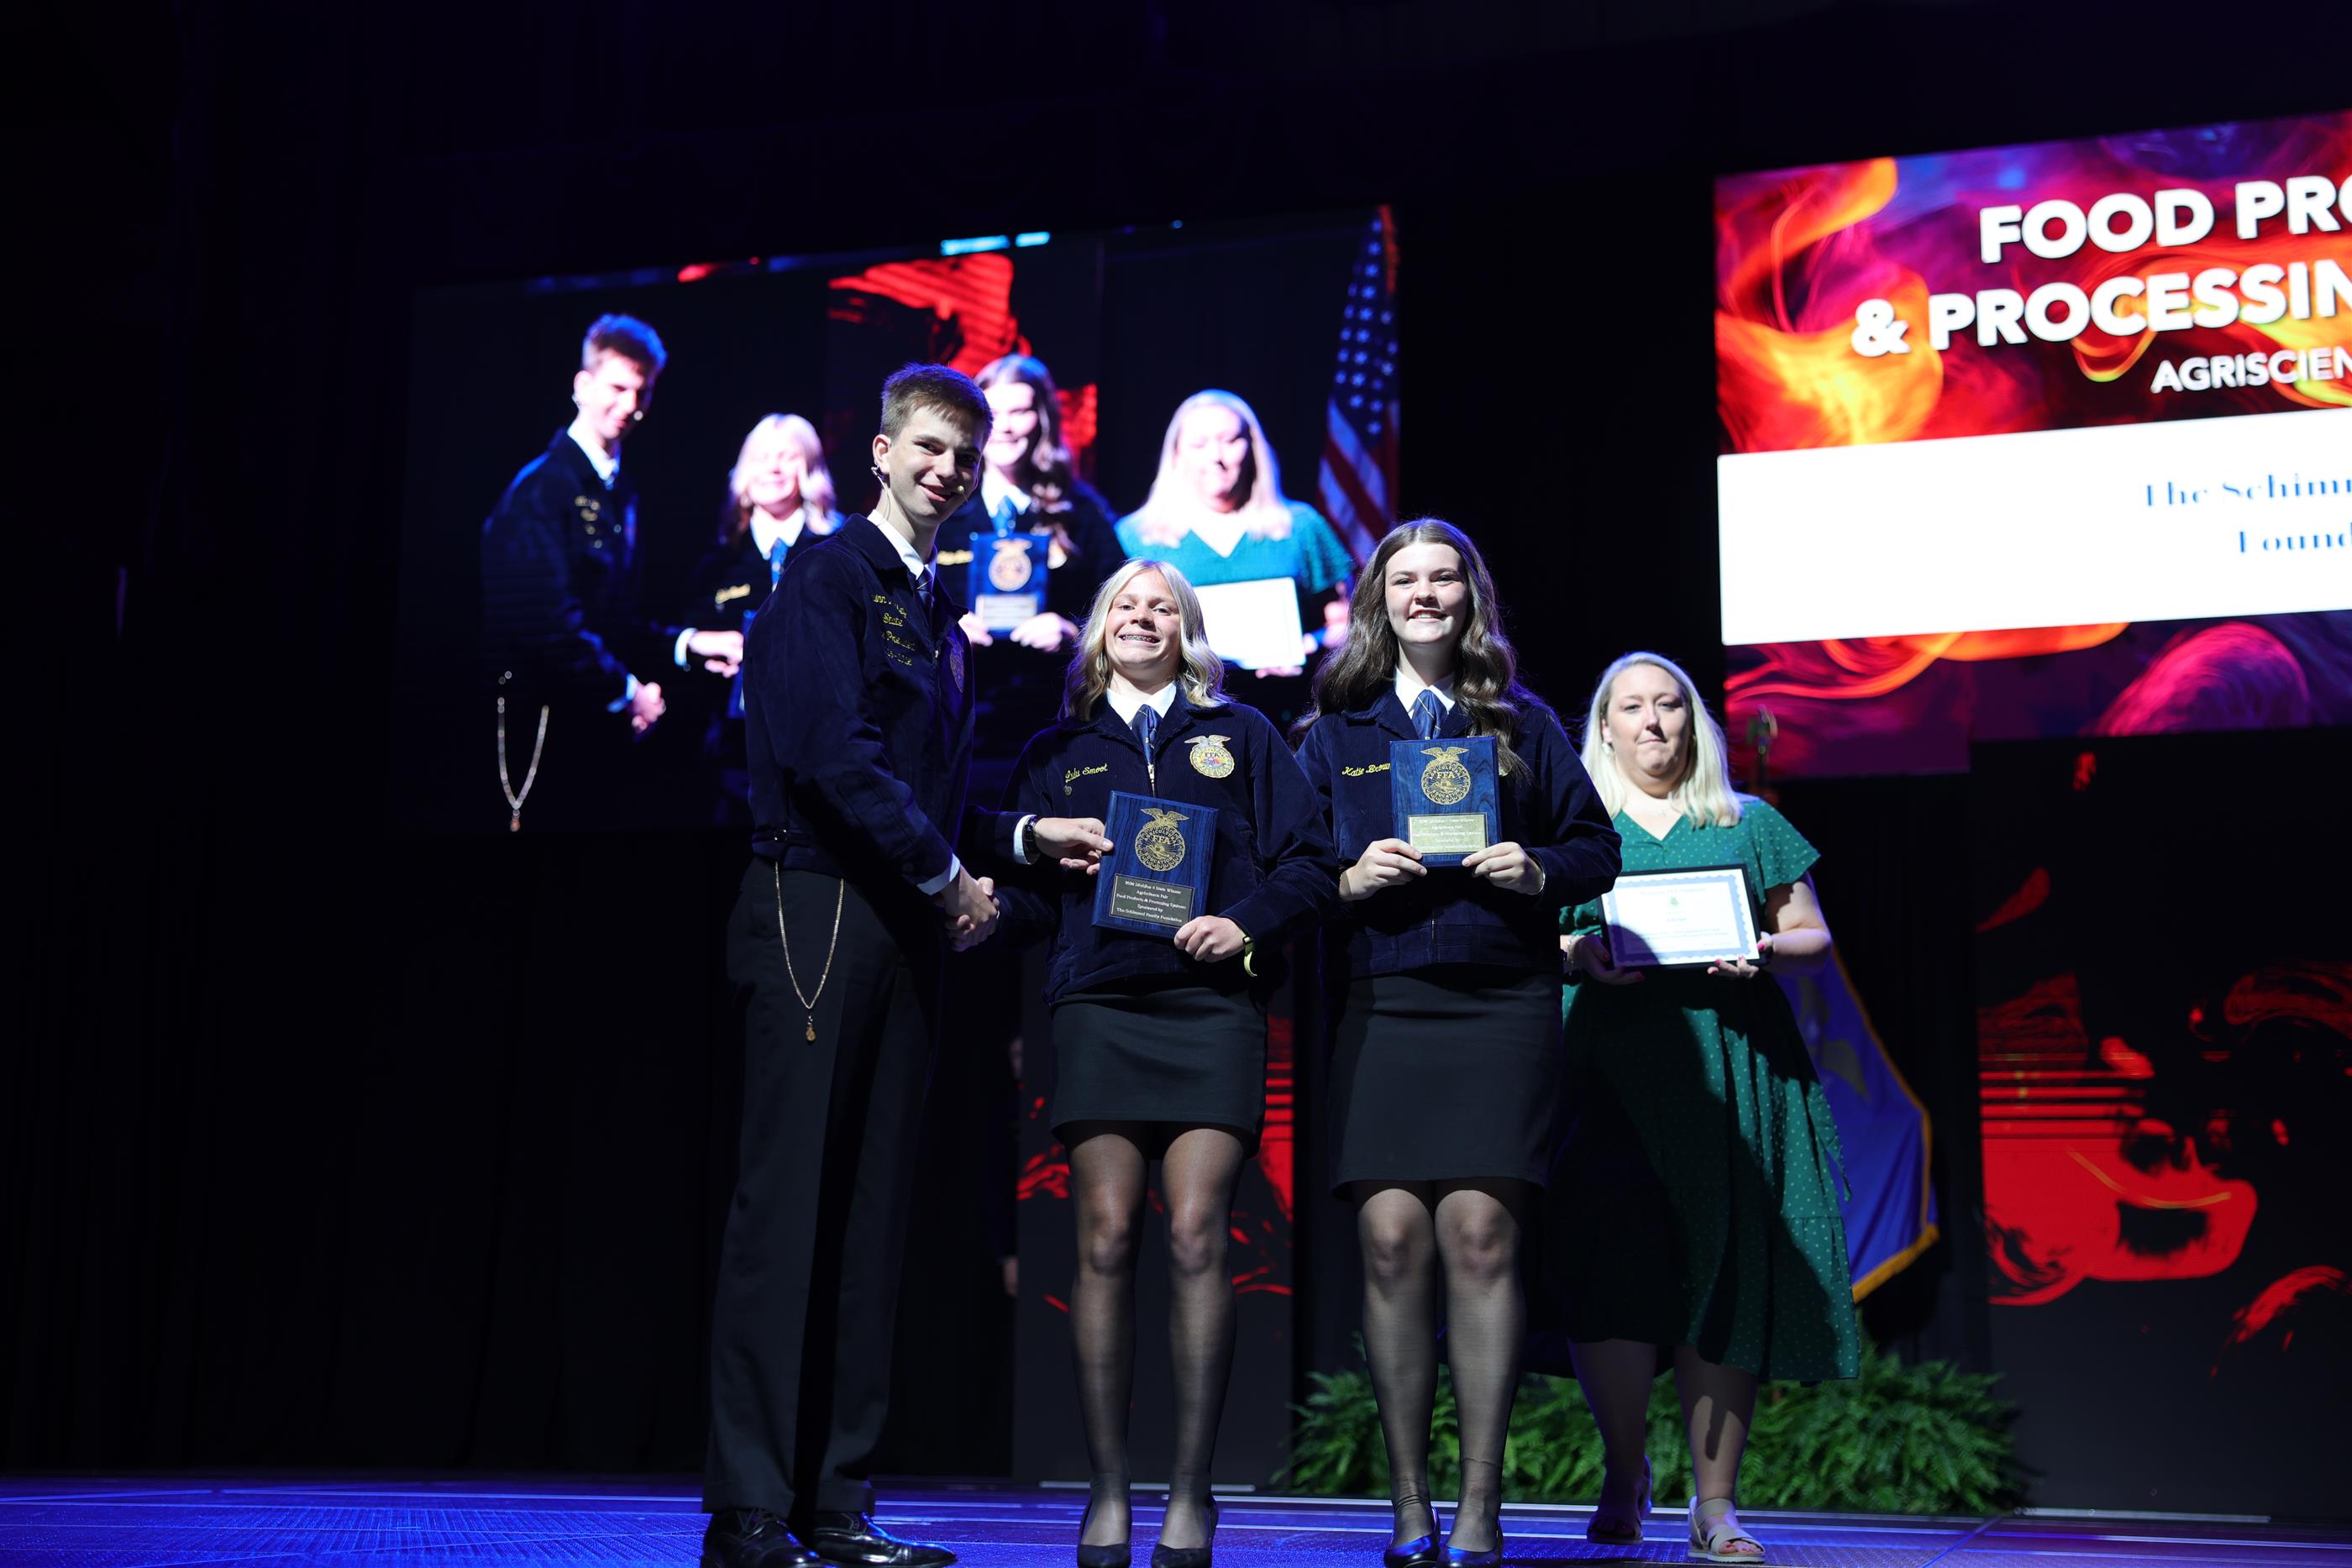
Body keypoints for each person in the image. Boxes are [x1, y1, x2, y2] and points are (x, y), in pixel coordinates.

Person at [702, 364, 1014, 1568]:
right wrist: (947, 876)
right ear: (881, 452)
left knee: (872, 1218)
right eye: (928, 447)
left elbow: (933, 790)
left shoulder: (939, 610)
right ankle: (749, 1508)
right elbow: (831, 753)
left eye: (966, 456)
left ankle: (835, 1500)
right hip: (816, 909)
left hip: (902, 926)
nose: (947, 469)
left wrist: (1015, 844)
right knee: (787, 1212)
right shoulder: (827, 575)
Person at [984, 558, 1336, 1568]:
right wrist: (983, 906)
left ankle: (1190, 1490)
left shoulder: (1243, 733)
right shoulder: (1056, 750)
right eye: (1125, 605)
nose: (1143, 618)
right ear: (1099, 628)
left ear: (1187, 630)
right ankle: (1106, 1489)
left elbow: (1309, 862)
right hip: (1098, 1006)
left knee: (1194, 1234)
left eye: (1163, 607)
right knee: (1101, 1239)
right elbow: (1026, 886)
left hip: (1211, 1007)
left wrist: (1244, 923)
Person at [1294, 521, 1620, 1567]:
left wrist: (1537, 870)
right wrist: (1345, 880)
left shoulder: (1522, 721)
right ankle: (1408, 1504)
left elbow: (1596, 846)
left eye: (1443, 578)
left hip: (1501, 1002)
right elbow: (1284, 867)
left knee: (1480, 1236)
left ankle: (1481, 1503)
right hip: (1382, 1003)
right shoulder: (1333, 732)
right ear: (1378, 599)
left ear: (1470, 596)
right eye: (1406, 579)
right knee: (1391, 1241)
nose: (1425, 594)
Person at [1552, 651, 1858, 1564]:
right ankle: (1624, 1471)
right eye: (1632, 707)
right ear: (1604, 728)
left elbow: (1812, 932)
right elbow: (1540, 934)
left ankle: (1714, 1502)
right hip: (1608, 1075)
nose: (1652, 721)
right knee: (1608, 1279)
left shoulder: (1746, 820)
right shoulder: (1576, 829)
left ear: (1693, 722)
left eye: (1669, 704)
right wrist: (1577, 953)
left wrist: (1764, 945)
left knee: (1724, 1275)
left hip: (1733, 1070)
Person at [480, 314, 730, 830]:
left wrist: (688, 643)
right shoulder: (542, 489)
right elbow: (547, 624)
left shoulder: (620, 492)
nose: (631, 405)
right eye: (618, 387)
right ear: (583, 386)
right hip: (540, 735)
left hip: (591, 738)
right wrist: (629, 693)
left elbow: (612, 620)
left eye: (643, 391)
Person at [1116, 391, 1352, 678]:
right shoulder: (1135, 538)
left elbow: (1345, 624)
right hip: (1177, 698)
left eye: (1230, 441)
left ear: (1253, 448)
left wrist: (1308, 645)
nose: (1216, 457)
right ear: (1177, 455)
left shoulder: (1300, 527)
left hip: (1285, 695)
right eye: (1199, 444)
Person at [679, 414, 841, 823]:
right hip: (735, 761)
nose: (773, 469)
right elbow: (675, 632)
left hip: (827, 756)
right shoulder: (718, 561)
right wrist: (700, 644)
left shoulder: (843, 550)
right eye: (762, 457)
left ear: (810, 468)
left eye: (787, 457)